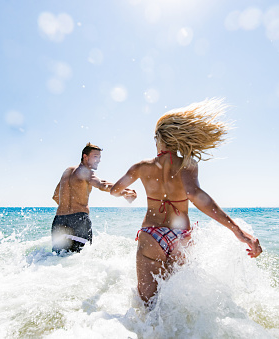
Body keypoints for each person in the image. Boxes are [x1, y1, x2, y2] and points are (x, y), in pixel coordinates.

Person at [110, 99, 262, 304]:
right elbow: (195, 194)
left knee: (148, 307)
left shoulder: (141, 167)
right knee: (175, 305)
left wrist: (127, 193)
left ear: (160, 138)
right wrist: (237, 230)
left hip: (152, 236)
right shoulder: (188, 164)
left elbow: (114, 190)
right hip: (181, 237)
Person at [52, 142, 137, 253]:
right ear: (85, 157)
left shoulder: (67, 172)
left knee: (57, 259)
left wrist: (67, 209)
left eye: (99, 157)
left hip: (59, 220)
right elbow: (102, 184)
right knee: (80, 260)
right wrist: (125, 192)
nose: (99, 160)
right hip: (78, 220)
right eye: (95, 157)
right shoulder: (86, 172)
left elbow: (55, 196)